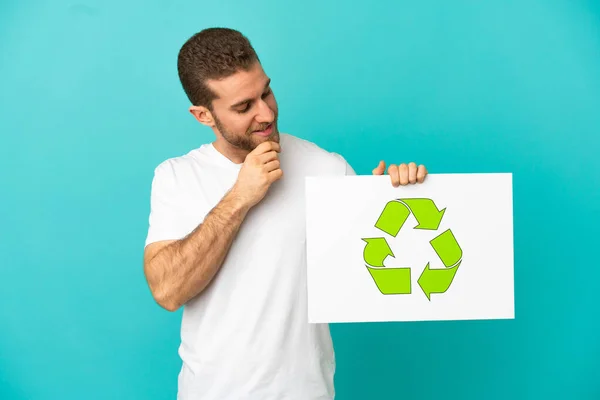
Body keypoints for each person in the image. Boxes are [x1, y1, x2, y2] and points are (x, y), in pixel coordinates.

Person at [142, 27, 429, 400]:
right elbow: (168, 290)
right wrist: (240, 197)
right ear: (203, 115)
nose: (265, 113)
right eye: (244, 107)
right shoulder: (177, 177)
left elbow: (368, 279)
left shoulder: (326, 168)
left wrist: (387, 204)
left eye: (266, 93)